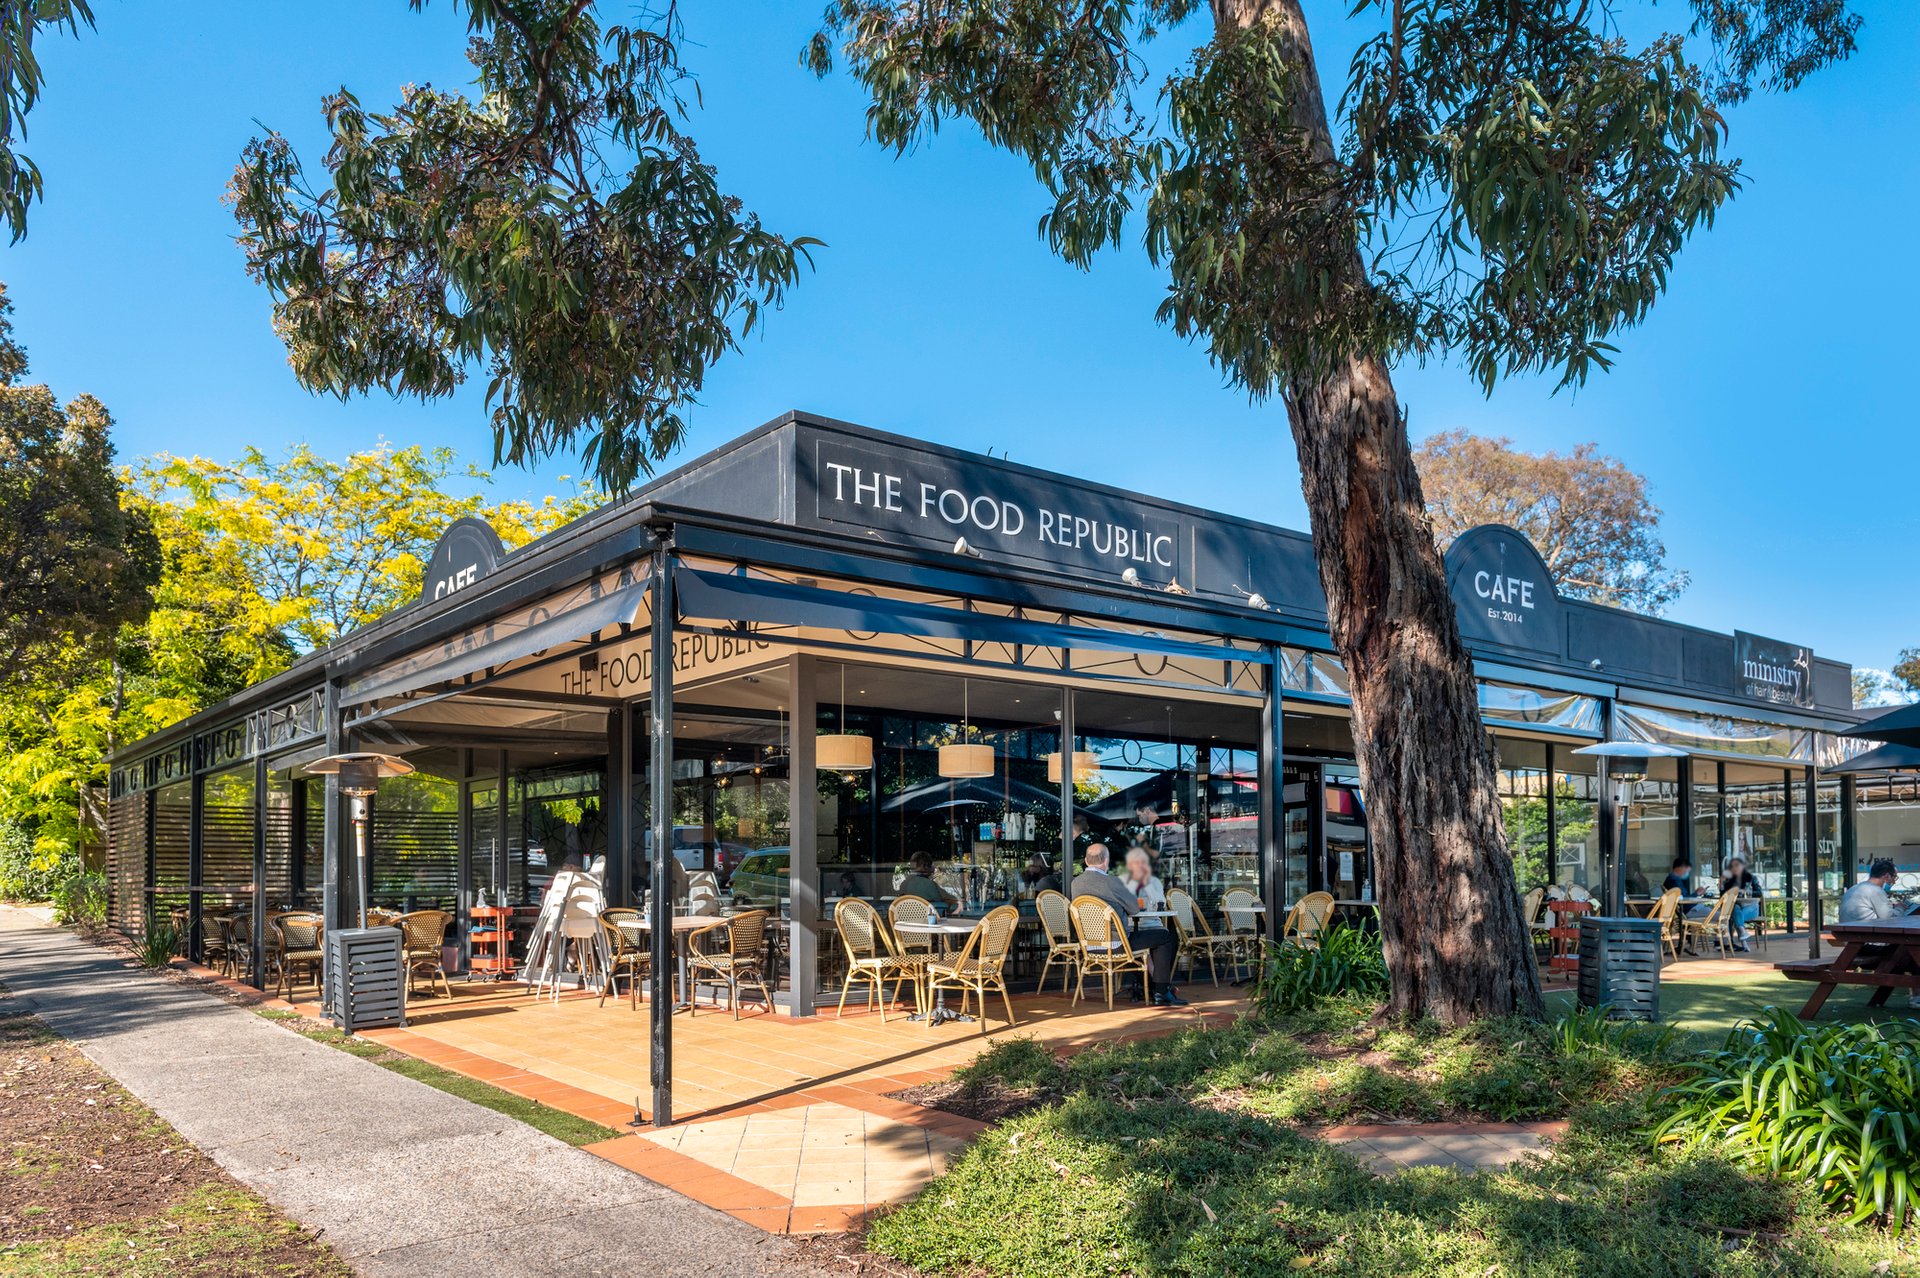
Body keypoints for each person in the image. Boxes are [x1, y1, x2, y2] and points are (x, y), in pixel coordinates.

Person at [1070, 843, 1183, 1006]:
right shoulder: (1112, 882)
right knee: (1164, 937)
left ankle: (1155, 987)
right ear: (1106, 861)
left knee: (1144, 942)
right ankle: (1161, 992)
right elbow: (1134, 908)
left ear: (1086, 861)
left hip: (1090, 945)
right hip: (1117, 944)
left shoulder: (1075, 883)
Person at [1719, 857, 1763, 953]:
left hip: (1751, 907)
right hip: (1737, 907)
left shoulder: (1751, 878)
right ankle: (1742, 935)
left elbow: (1759, 893)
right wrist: (1722, 884)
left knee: (1733, 915)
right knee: (1734, 908)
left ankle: (1740, 941)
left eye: (1737, 865)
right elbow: (1724, 897)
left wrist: (1746, 891)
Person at [1838, 858, 1897, 924]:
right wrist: (1900, 908)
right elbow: (1889, 918)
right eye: (1894, 877)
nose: (1894, 882)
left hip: (1845, 928)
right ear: (1887, 876)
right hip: (1864, 928)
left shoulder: (1854, 888)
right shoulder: (1876, 890)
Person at [1122, 846, 1167, 911]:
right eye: (1136, 863)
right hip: (1129, 917)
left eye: (1143, 862)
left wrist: (1147, 884)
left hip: (1150, 917)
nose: (1140, 866)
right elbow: (1122, 903)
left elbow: (1162, 903)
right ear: (1129, 866)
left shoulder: (1154, 881)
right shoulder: (1123, 880)